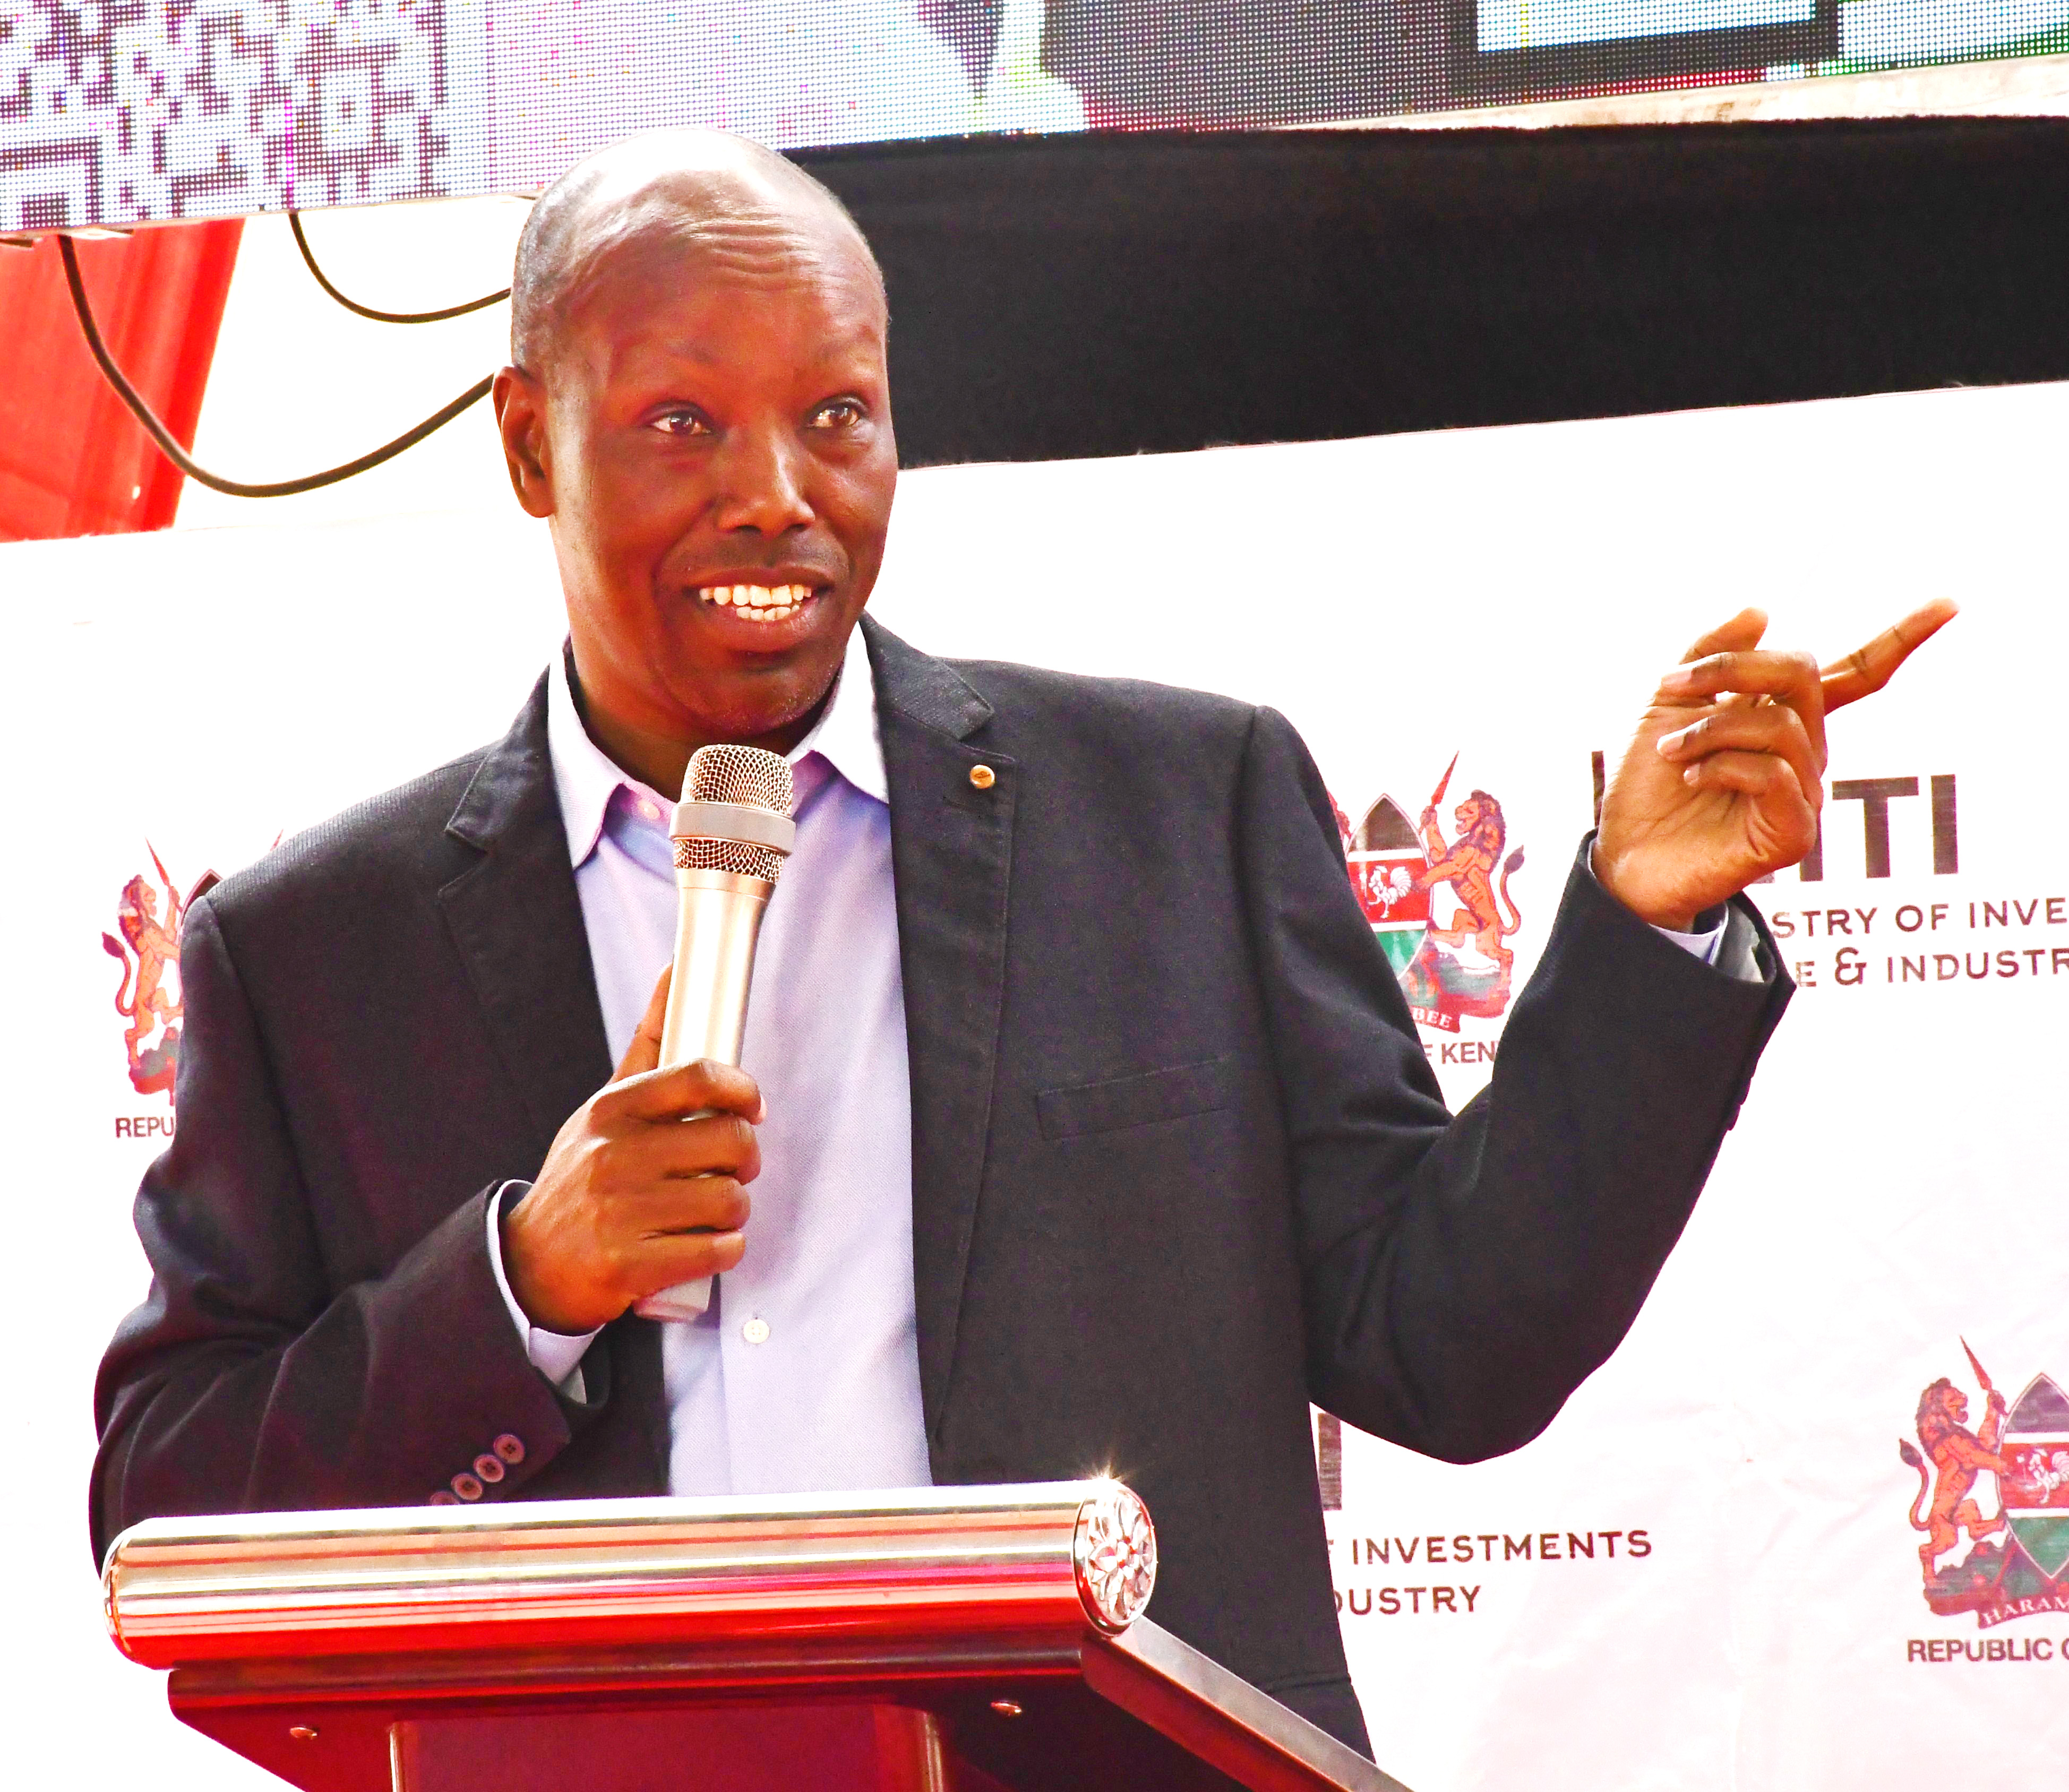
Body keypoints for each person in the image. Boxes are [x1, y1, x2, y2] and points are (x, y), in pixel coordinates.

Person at [90, 131, 1950, 1755]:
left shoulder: (1177, 806)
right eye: (681, 421)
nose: (778, 495)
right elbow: (162, 1510)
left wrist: (1643, 924)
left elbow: (1449, 1348)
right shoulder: (313, 948)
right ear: (527, 442)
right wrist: (524, 1286)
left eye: (838, 416)